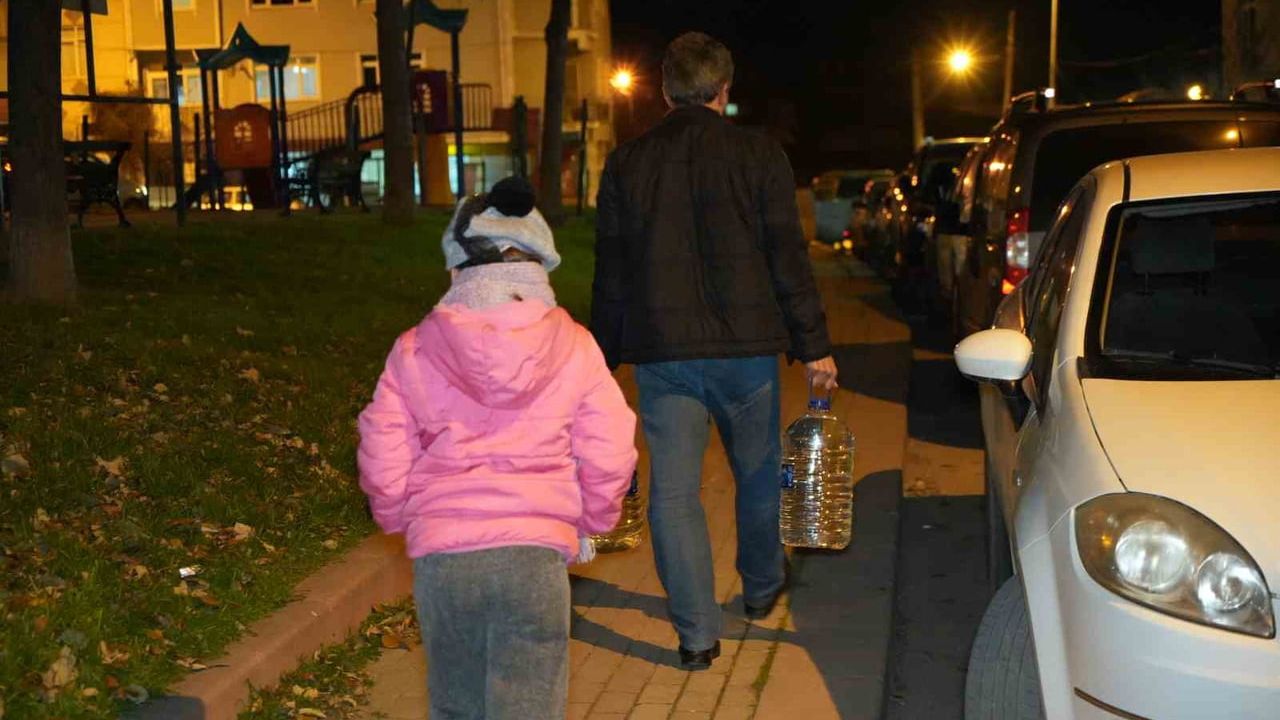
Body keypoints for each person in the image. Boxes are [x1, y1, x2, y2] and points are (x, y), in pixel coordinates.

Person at [591, 32, 837, 671]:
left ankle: (697, 636)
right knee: (757, 473)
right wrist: (814, 345)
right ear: (724, 90)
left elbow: (612, 270)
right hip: (747, 355)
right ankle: (760, 588)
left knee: (673, 495)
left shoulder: (627, 163)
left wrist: (602, 355)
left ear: (664, 91)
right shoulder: (759, 155)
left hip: (664, 356)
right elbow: (787, 256)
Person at [358, 176, 638, 718]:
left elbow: (383, 443)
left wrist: (398, 514)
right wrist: (594, 519)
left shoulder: (414, 348)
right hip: (535, 554)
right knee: (531, 703)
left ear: (457, 270)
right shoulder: (575, 345)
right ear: (538, 269)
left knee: (456, 701)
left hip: (445, 556)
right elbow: (610, 446)